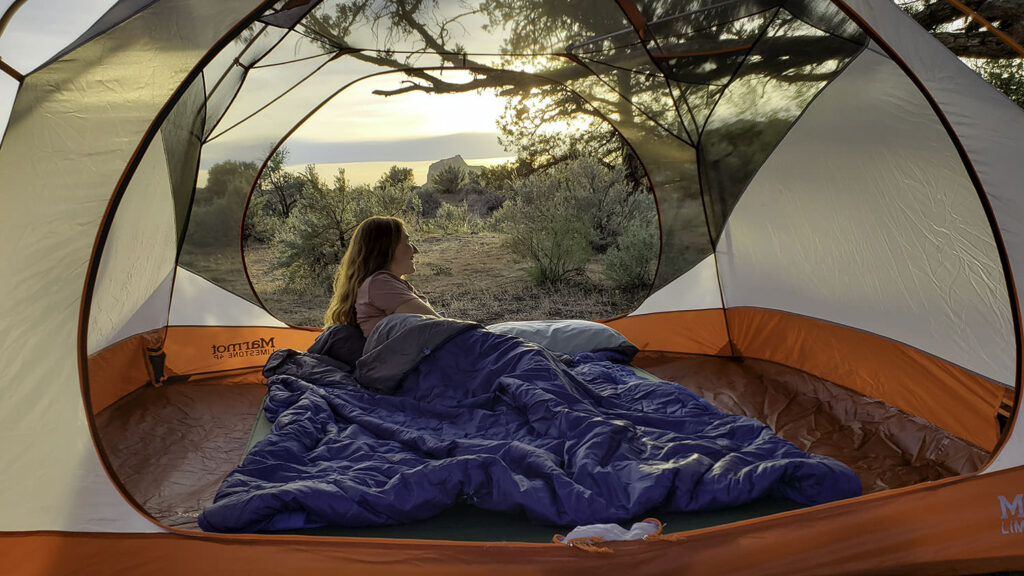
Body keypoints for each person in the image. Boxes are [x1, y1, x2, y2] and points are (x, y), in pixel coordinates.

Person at [324, 216, 438, 338]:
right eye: (407, 242)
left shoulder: (385, 284)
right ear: (386, 248)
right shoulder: (380, 284)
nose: (415, 250)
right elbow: (440, 327)